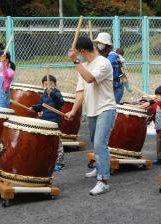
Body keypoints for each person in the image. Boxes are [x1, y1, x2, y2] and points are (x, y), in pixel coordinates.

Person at [66, 36, 116, 195]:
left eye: (78, 54)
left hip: (106, 109)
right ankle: (100, 168)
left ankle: (103, 180)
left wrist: (75, 62)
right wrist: (73, 111)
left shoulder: (104, 63)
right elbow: (81, 92)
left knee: (100, 144)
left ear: (81, 51)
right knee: (97, 143)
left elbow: (89, 79)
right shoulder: (85, 65)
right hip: (92, 111)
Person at [30, 75, 65, 171]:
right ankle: (48, 161)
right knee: (46, 142)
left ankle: (59, 162)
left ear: (55, 85)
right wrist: (34, 107)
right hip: (45, 121)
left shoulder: (56, 93)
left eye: (51, 84)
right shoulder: (44, 94)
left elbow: (60, 103)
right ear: (43, 85)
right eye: (46, 84)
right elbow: (41, 106)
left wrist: (52, 94)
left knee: (57, 143)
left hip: (55, 122)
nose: (48, 86)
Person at [93, 32, 124, 104]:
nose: (99, 44)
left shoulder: (112, 55)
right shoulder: (101, 54)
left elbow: (105, 64)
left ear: (106, 44)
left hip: (115, 88)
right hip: (106, 88)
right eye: (98, 42)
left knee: (112, 109)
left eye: (101, 43)